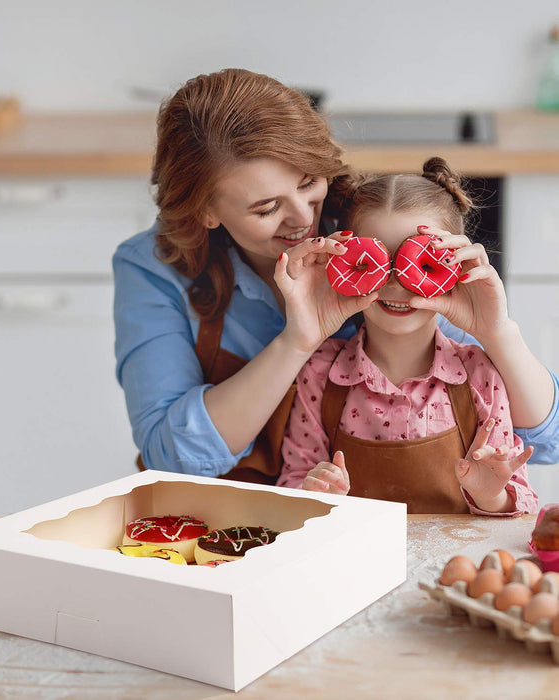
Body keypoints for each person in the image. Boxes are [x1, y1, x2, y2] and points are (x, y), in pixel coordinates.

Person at [113, 68, 559, 485]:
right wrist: (296, 342)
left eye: (309, 183)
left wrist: (498, 334)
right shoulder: (152, 268)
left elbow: (543, 441)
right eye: (266, 208)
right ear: (205, 211)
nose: (303, 220)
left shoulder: (371, 240)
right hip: (228, 519)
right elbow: (169, 457)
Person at [277, 159, 538, 515]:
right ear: (343, 265)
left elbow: (521, 501)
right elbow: (293, 480)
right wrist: (315, 494)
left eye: (421, 262)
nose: (397, 284)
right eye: (375, 262)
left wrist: (491, 494)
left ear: (455, 269)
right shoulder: (320, 374)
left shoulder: (481, 375)